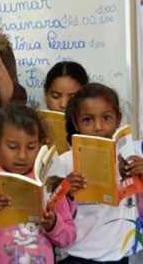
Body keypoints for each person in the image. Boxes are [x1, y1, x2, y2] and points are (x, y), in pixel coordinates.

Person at [0, 104, 76, 263]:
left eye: (31, 147)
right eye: (12, 147)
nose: (22, 155)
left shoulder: (49, 181)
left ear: (41, 146)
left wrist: (53, 224)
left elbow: (69, 237)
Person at [57, 83, 143, 263]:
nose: (98, 127)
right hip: (77, 254)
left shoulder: (131, 158)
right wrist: (67, 193)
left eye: (107, 118)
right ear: (76, 123)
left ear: (118, 119)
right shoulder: (65, 162)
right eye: (87, 120)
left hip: (117, 254)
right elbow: (55, 215)